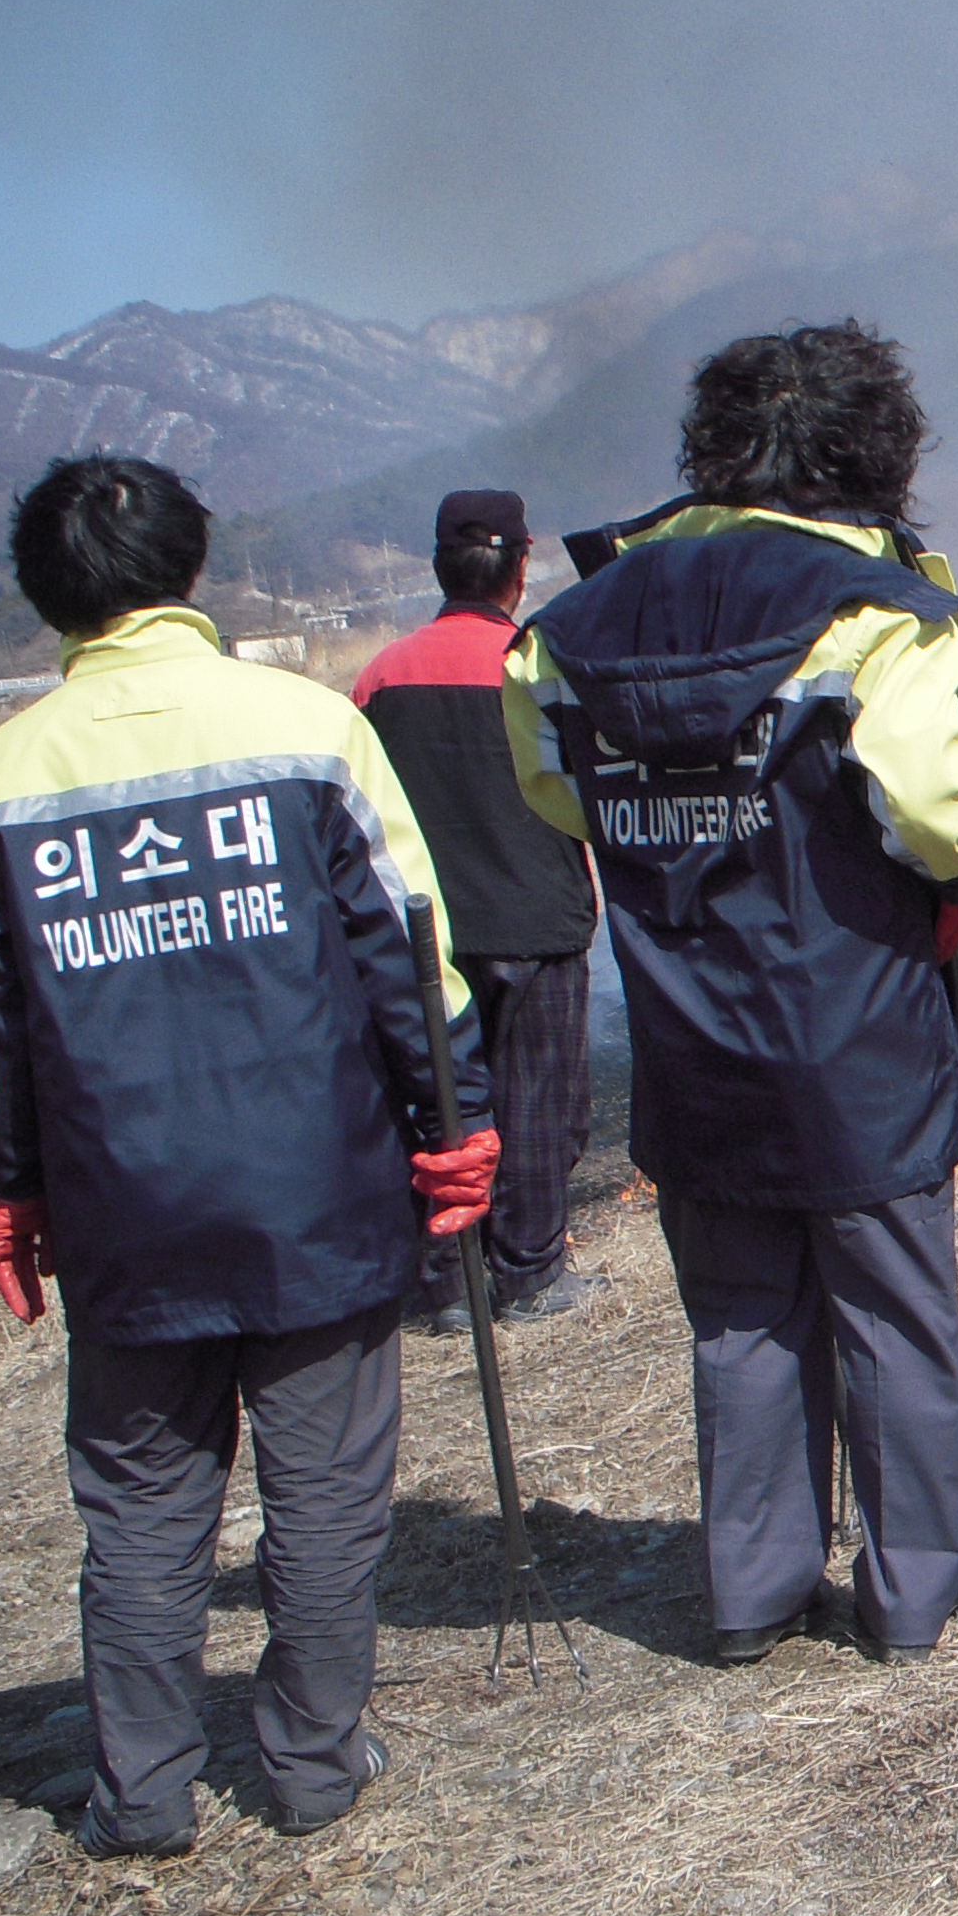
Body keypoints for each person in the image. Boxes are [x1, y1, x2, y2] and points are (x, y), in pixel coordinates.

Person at [0, 455, 495, 1853]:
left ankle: (141, 1794)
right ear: (192, 564)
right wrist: (456, 1123)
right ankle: (312, 1764)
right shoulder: (305, 729)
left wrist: (15, 1184)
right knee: (325, 1496)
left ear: (48, 595)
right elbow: (407, 947)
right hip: (316, 1195)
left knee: (138, 1507)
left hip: (126, 1209)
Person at [505, 321, 958, 1667]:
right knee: (894, 1322)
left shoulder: (567, 628)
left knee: (741, 1319)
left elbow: (554, 793)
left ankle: (751, 1595)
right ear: (876, 451)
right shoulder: (873, 611)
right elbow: (939, 813)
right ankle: (906, 1603)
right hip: (857, 1039)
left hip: (691, 1036)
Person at [353, 488, 605, 1333]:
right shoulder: (542, 662)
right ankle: (530, 1274)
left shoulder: (381, 677)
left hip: (426, 934)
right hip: (539, 919)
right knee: (540, 1103)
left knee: (440, 1103)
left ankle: (451, 1285)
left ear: (439, 567)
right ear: (520, 566)